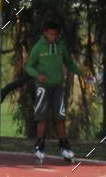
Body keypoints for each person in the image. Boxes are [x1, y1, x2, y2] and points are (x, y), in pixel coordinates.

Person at [25, 20, 84, 162]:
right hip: (43, 88)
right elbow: (29, 66)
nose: (53, 37)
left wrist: (81, 73)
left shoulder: (60, 46)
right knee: (42, 117)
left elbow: (69, 63)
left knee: (60, 117)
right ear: (45, 33)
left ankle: (64, 146)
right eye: (51, 34)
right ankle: (39, 145)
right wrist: (38, 75)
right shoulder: (38, 47)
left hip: (58, 86)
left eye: (55, 34)